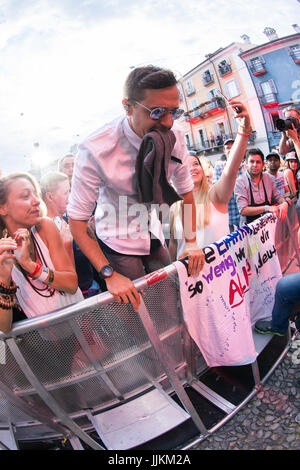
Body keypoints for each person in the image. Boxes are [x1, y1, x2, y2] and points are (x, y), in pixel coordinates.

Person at [67, 65, 205, 312]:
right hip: (117, 237)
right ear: (128, 106)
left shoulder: (176, 135)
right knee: (140, 312)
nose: (167, 122)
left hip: (152, 230)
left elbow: (186, 193)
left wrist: (192, 242)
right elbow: (77, 222)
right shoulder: (96, 149)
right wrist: (108, 274)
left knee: (172, 301)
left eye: (175, 112)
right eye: (157, 112)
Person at [169, 100, 252, 258]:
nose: (192, 168)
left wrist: (243, 130)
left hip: (219, 275)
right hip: (190, 280)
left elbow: (231, 168)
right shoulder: (174, 207)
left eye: (196, 164)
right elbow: (173, 245)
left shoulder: (215, 196)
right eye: (186, 166)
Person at [0, 172, 83, 319]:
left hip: (81, 322)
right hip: (46, 338)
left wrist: (29, 265)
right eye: (26, 196)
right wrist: (4, 279)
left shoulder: (45, 227)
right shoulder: (2, 253)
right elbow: (5, 327)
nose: (37, 201)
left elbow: (71, 285)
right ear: (2, 208)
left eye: (35, 194)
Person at [40, 171, 100, 298]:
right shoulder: (48, 229)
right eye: (66, 192)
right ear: (50, 197)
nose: (71, 196)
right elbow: (62, 272)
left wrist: (88, 231)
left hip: (91, 285)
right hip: (77, 296)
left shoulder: (67, 219)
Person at [234, 148, 289, 224]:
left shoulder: (268, 178)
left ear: (263, 164)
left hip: (268, 226)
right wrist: (267, 208)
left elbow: (277, 196)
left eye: (258, 162)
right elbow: (243, 210)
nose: (255, 165)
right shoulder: (240, 182)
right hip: (249, 229)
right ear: (246, 163)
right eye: (252, 161)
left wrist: (284, 203)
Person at [212, 138, 243, 232]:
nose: (230, 149)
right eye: (227, 148)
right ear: (224, 151)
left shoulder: (244, 167)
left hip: (244, 217)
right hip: (229, 219)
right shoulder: (219, 167)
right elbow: (218, 193)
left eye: (233, 147)